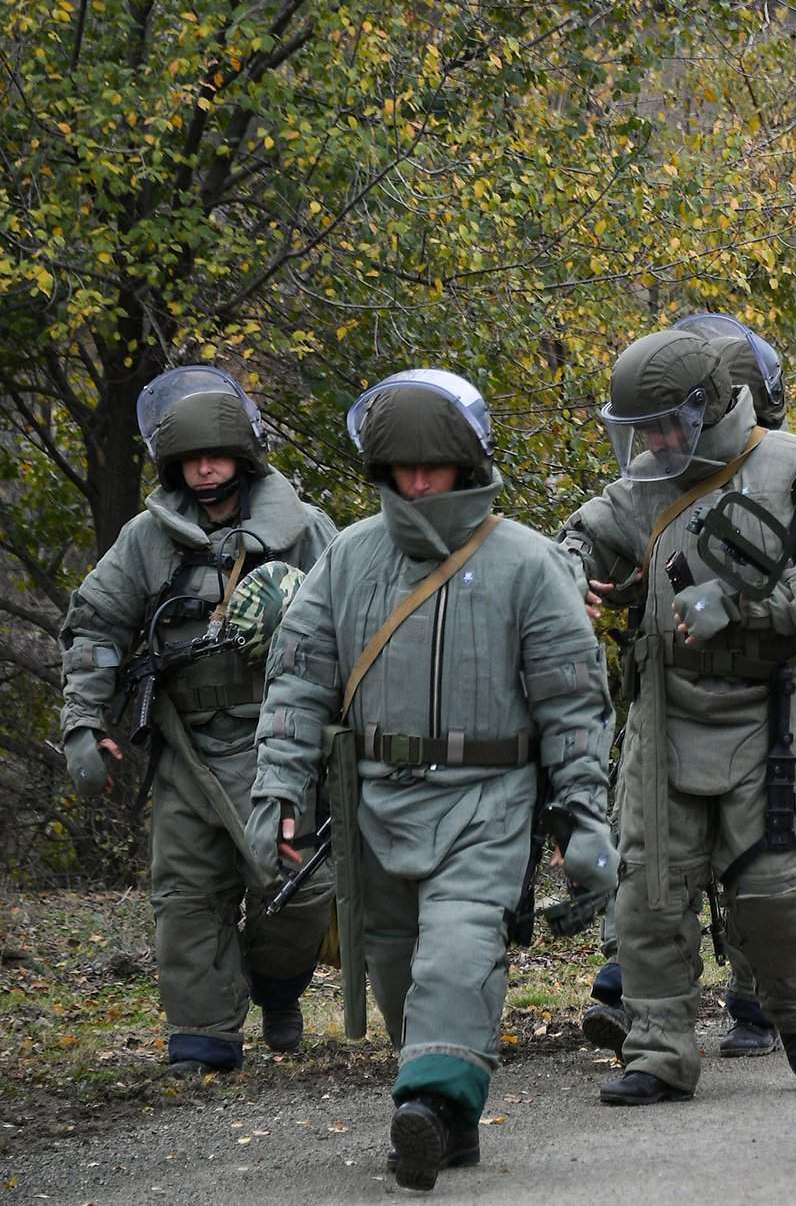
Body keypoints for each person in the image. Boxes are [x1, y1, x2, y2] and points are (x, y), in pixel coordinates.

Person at [246, 369, 614, 1191]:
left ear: (467, 463)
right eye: (402, 467)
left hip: (490, 799)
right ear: (379, 470)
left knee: (459, 953)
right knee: (396, 965)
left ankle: (426, 1103)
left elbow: (573, 700)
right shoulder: (346, 558)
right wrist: (276, 793)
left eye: (434, 465)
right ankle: (449, 1116)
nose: (418, 482)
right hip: (373, 801)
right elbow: (297, 680)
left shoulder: (527, 563)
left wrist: (585, 815)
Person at [561, 327, 796, 1107]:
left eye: (664, 426)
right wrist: (570, 577)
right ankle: (656, 1053)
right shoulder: (646, 483)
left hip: (766, 706)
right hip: (665, 706)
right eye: (639, 432)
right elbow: (583, 536)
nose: (652, 444)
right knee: (650, 886)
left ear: (708, 406)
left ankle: (793, 1006)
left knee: (772, 886)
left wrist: (746, 608)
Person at [57, 365, 337, 1077]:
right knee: (186, 891)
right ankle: (204, 1035)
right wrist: (83, 720)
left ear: (244, 458)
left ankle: (277, 988)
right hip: (185, 743)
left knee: (298, 891)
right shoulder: (146, 541)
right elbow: (95, 624)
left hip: (283, 741)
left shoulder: (304, 531)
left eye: (216, 455)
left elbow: (356, 618)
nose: (206, 470)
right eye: (191, 458)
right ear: (174, 465)